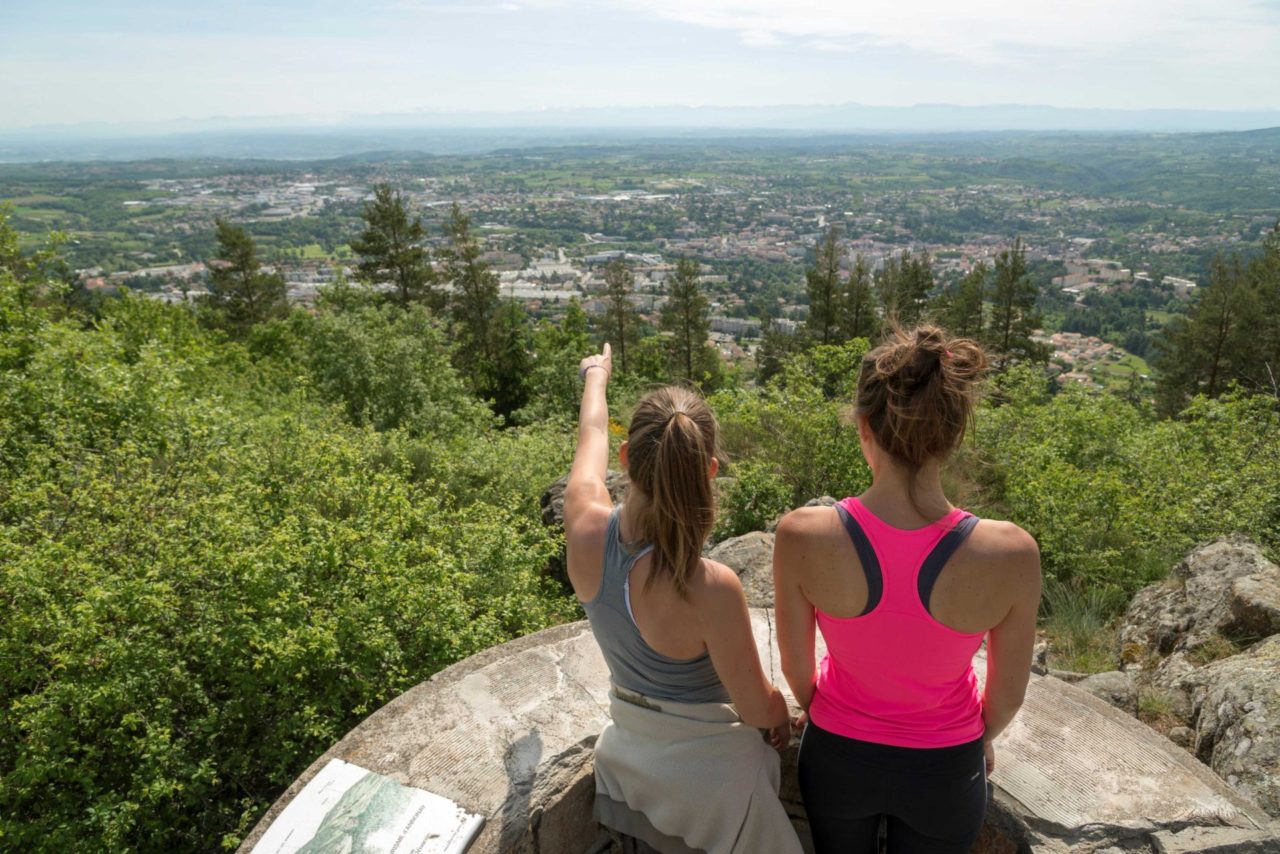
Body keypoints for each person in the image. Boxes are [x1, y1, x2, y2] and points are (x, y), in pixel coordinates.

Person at [773, 325, 1042, 854]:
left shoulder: (802, 534)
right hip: (946, 771)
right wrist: (975, 740)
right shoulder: (1010, 552)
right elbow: (1007, 698)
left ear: (864, 427)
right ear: (955, 431)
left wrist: (823, 711)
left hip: (837, 760)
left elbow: (797, 674)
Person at [564, 343, 802, 854]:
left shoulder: (582, 521)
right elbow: (756, 707)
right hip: (709, 786)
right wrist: (783, 712)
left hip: (631, 763)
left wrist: (595, 376)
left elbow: (592, 433)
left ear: (628, 459)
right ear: (709, 471)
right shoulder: (709, 585)